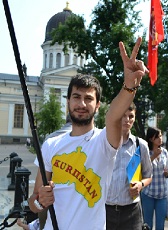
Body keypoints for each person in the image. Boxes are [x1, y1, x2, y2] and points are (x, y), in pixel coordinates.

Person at [28, 37, 149, 230]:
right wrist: (40, 201)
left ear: (98, 105)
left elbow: (113, 117)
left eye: (88, 98)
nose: (82, 104)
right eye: (76, 97)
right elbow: (33, 203)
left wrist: (129, 85)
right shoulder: (51, 144)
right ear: (68, 101)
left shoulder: (103, 141)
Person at [105, 102, 152, 230]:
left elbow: (149, 175)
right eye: (123, 116)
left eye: (131, 116)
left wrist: (140, 185)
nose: (127, 120)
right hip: (105, 210)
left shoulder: (140, 145)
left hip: (131, 211)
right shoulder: (103, 141)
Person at [141, 126, 168, 230]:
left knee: (160, 225)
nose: (160, 139)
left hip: (162, 193)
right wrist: (153, 156)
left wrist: (167, 173)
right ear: (150, 139)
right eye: (157, 137)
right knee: (147, 224)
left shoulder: (165, 152)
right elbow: (142, 170)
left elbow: (167, 171)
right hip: (148, 193)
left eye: (161, 136)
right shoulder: (146, 152)